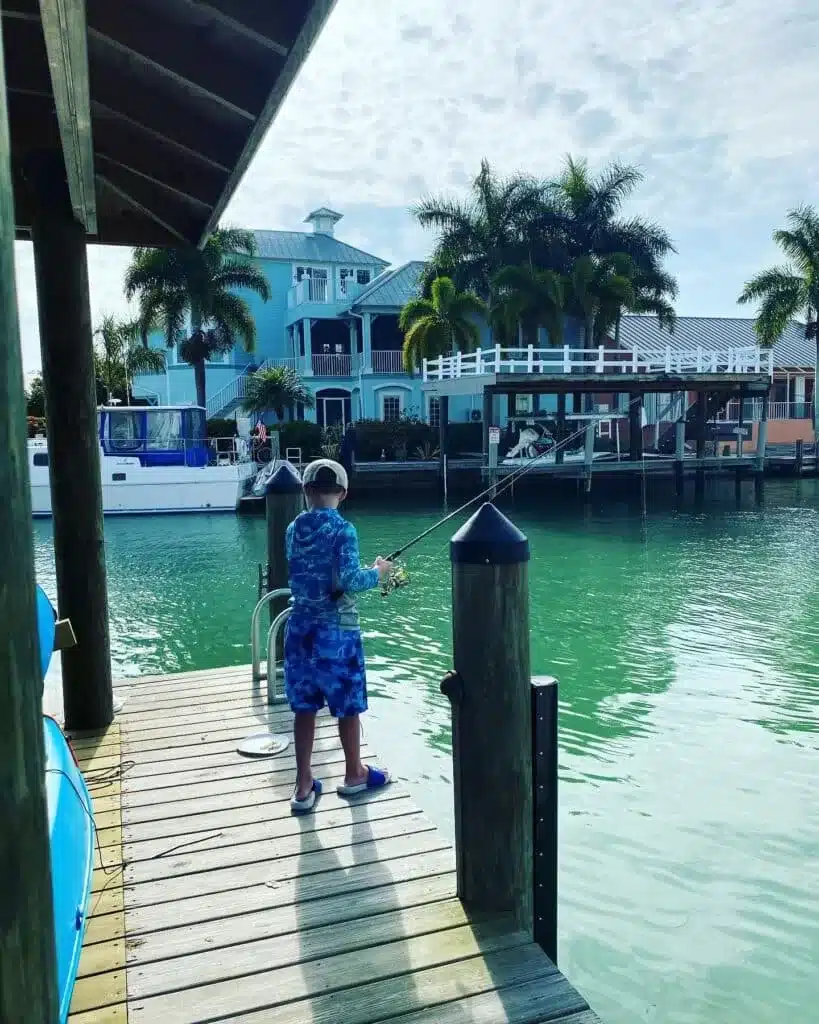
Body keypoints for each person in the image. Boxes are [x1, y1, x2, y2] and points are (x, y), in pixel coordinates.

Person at [284, 458, 393, 814]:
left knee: (304, 708)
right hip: (337, 632)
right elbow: (348, 580)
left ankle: (303, 786)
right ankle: (354, 773)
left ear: (306, 490)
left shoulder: (292, 529)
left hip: (299, 630)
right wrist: (378, 572)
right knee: (347, 706)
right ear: (343, 493)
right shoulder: (343, 530)